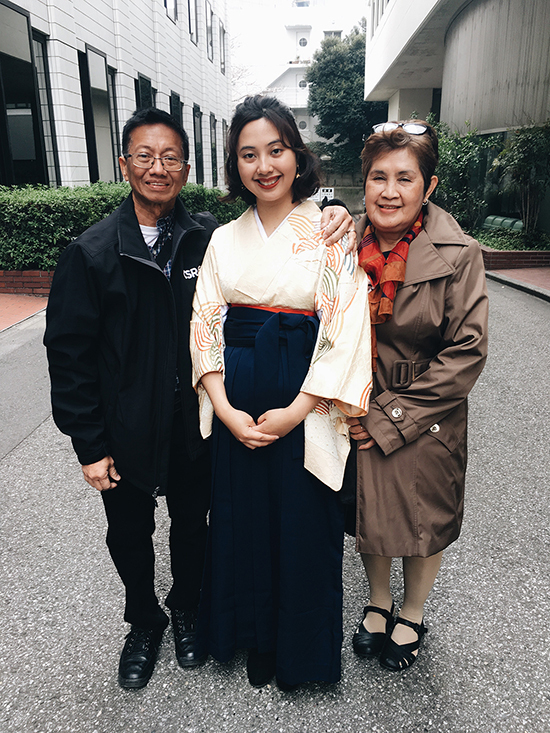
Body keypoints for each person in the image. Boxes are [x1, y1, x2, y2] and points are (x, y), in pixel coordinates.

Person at [43, 107, 354, 690]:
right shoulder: (92, 251)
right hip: (127, 423)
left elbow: (228, 306)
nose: (157, 169)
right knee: (128, 531)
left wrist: (337, 213)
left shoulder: (205, 235)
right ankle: (142, 621)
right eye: (144, 156)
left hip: (193, 421)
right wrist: (89, 443)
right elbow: (69, 354)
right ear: (124, 163)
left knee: (194, 523)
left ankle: (187, 606)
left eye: (170, 158)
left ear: (187, 167)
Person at [189, 95, 372, 690]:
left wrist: (298, 410)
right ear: (234, 165)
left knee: (301, 522)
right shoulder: (222, 239)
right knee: (240, 516)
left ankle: (296, 649)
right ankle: (246, 633)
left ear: (297, 155)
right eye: (248, 154)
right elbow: (205, 321)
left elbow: (345, 326)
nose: (264, 165)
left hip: (305, 393)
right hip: (237, 394)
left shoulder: (329, 231)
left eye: (276, 150)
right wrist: (222, 408)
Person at [347, 120, 488, 671]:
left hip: (427, 408)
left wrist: (390, 416)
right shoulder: (342, 242)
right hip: (358, 401)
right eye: (378, 177)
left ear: (427, 187)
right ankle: (379, 601)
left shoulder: (460, 253)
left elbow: (467, 353)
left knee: (423, 519)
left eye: (404, 178)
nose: (389, 191)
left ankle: (412, 611)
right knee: (372, 511)